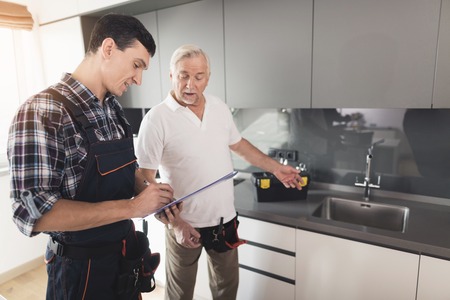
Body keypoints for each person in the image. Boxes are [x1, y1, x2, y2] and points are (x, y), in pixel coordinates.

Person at [7, 13, 174, 299]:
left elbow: (123, 170)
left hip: (123, 260)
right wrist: (133, 208)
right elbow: (34, 214)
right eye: (137, 65)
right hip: (78, 272)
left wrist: (151, 194)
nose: (139, 79)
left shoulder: (113, 109)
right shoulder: (42, 112)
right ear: (108, 48)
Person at [135, 44, 303, 300]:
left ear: (208, 78)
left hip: (225, 223)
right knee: (179, 295)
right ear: (171, 75)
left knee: (226, 291)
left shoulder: (219, 107)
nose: (190, 84)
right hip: (184, 226)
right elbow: (142, 179)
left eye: (198, 77)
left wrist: (277, 169)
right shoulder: (157, 119)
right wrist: (177, 223)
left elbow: (239, 145)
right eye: (183, 75)